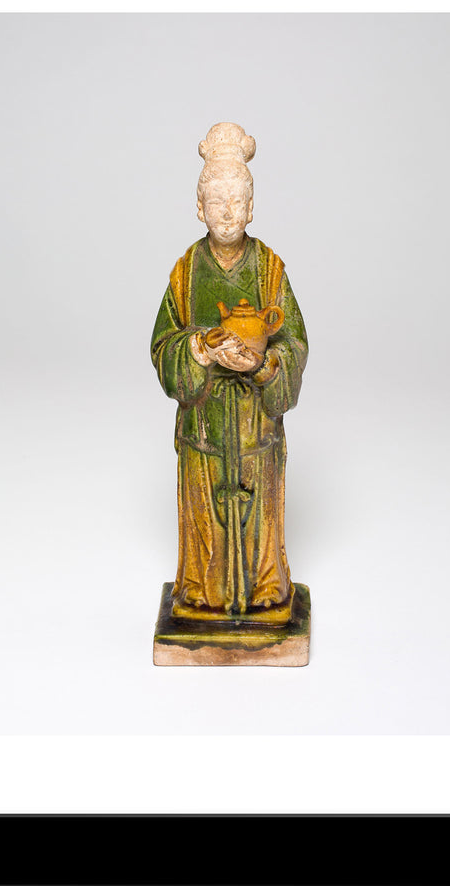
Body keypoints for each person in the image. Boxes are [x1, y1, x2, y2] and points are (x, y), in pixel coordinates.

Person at [151, 123, 308, 624]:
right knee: (205, 526)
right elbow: (162, 344)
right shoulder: (185, 272)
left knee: (258, 523)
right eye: (216, 201)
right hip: (205, 427)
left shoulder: (269, 269)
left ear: (251, 206)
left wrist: (262, 366)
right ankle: (201, 595)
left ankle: (265, 594)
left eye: (236, 201)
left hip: (255, 427)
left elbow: (295, 344)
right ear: (199, 207)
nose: (226, 212)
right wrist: (199, 350)